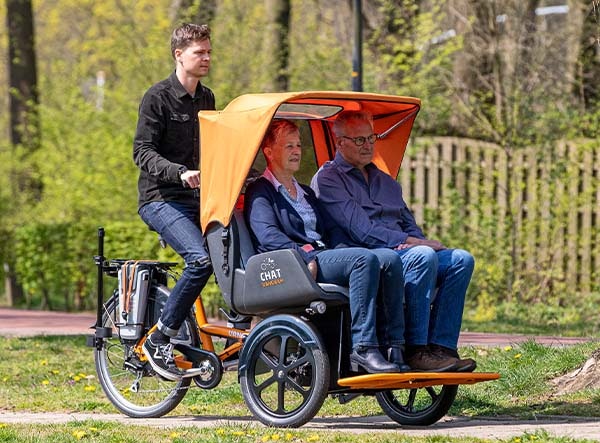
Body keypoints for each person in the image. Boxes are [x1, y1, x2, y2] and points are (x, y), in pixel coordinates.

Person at [311, 110, 476, 372]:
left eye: (371, 138)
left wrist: (419, 239)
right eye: (359, 140)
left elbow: (407, 221)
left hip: (406, 251)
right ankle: (415, 349)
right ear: (340, 142)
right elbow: (361, 230)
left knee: (461, 260)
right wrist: (412, 242)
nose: (368, 146)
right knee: (424, 256)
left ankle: (441, 347)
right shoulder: (328, 179)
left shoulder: (385, 181)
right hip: (368, 255)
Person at [244, 119, 411, 374]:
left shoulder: (306, 193)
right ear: (269, 152)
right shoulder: (261, 191)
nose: (297, 151)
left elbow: (330, 230)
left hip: (323, 255)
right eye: (289, 146)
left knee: (388, 258)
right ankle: (364, 348)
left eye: (298, 145)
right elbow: (269, 237)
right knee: (362, 260)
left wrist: (347, 247)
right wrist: (305, 253)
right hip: (293, 264)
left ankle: (395, 345)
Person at [133, 23, 214, 380]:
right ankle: (160, 338)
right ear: (179, 54)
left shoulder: (207, 98)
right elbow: (142, 151)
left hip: (199, 197)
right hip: (160, 198)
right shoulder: (157, 97)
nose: (207, 58)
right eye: (200, 52)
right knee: (200, 260)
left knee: (241, 246)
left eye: (209, 52)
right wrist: (179, 172)